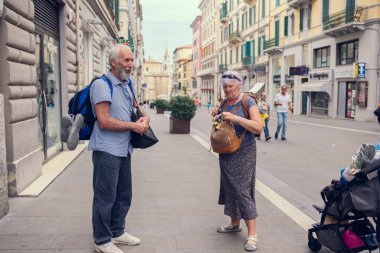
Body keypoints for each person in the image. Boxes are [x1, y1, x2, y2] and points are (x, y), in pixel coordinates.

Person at [89, 44, 149, 253]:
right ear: (113, 62)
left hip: (124, 149)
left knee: (124, 193)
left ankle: (117, 231)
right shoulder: (102, 85)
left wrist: (143, 117)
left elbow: (135, 108)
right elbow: (104, 121)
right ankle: (102, 240)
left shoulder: (127, 83)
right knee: (105, 196)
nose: (131, 64)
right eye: (126, 60)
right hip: (107, 150)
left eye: (132, 60)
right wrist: (134, 126)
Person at [211, 71, 263, 251]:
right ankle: (234, 223)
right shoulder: (224, 102)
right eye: (224, 87)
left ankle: (253, 235)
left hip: (244, 151)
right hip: (226, 151)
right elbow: (223, 122)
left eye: (230, 87)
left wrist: (236, 117)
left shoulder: (248, 101)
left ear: (239, 85)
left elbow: (258, 126)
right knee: (229, 187)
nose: (227, 90)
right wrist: (217, 113)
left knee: (242, 190)